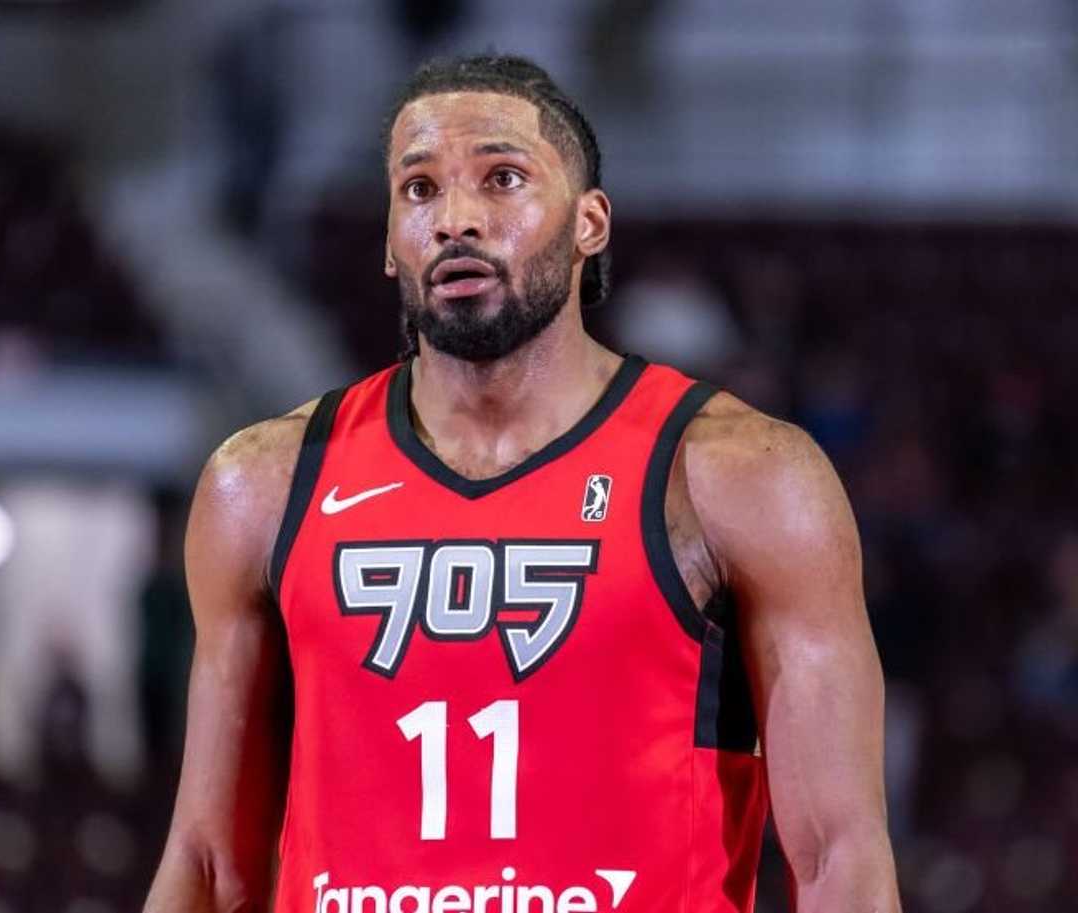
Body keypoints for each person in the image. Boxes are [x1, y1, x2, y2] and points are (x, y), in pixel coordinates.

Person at [144, 55, 900, 913]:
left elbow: (840, 858)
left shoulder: (741, 474)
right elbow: (207, 863)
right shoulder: (264, 485)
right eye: (419, 189)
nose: (456, 219)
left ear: (590, 224)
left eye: (502, 179)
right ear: (390, 244)